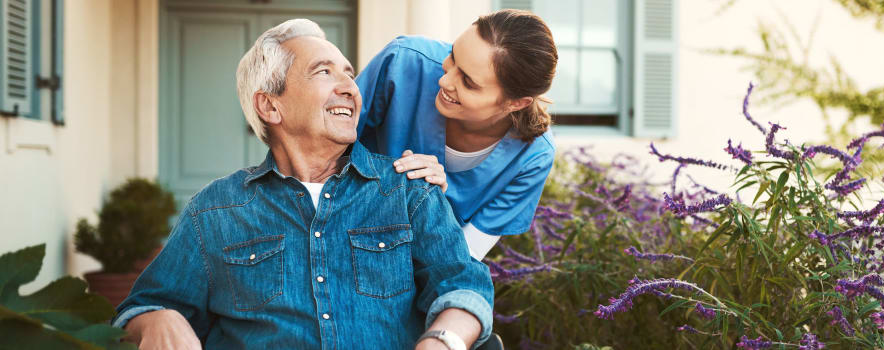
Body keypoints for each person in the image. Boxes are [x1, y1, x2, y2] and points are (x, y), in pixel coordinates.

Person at [112, 19, 494, 350]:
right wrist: (158, 318)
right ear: (270, 106)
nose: (350, 86)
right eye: (324, 72)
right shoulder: (215, 210)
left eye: (348, 73)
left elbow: (463, 286)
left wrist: (442, 340)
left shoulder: (409, 189)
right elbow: (141, 306)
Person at [356, 9, 558, 260]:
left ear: (516, 103)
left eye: (469, 82)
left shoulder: (532, 158)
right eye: (452, 56)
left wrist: (433, 204)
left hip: (413, 271)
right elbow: (319, 147)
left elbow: (462, 257)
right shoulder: (403, 61)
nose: (445, 81)